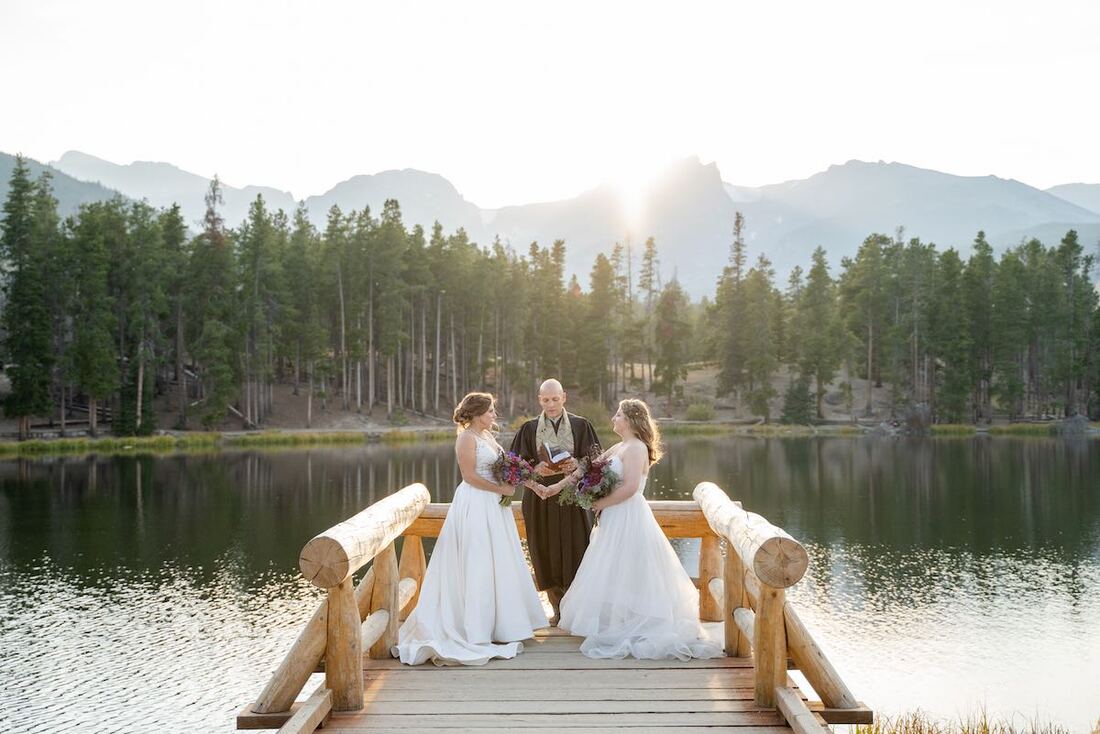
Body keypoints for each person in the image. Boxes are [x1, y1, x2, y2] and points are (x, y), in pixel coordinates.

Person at [550, 398, 723, 660]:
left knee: (633, 567)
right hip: (613, 517)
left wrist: (599, 503)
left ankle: (637, 623)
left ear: (630, 420)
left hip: (628, 516)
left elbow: (630, 488)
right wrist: (557, 485)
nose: (613, 419)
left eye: (618, 415)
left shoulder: (636, 448)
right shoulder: (620, 446)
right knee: (614, 568)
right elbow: (587, 469)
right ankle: (618, 621)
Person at [393, 392, 545, 665]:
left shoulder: (487, 437)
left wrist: (522, 478)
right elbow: (470, 476)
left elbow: (502, 466)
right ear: (476, 414)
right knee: (477, 562)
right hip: (475, 504)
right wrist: (501, 488)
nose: (494, 416)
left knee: (498, 561)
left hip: (495, 507)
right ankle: (474, 627)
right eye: (490, 412)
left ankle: (502, 624)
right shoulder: (466, 438)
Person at [509, 379, 602, 625]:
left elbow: (595, 461)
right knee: (544, 546)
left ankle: (577, 608)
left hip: (573, 498)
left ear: (564, 397)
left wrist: (577, 464)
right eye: (545, 399)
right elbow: (514, 466)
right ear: (539, 399)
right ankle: (556, 608)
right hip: (541, 497)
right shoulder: (528, 429)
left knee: (577, 546)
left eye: (554, 398)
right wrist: (535, 467)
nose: (550, 404)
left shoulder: (582, 425)